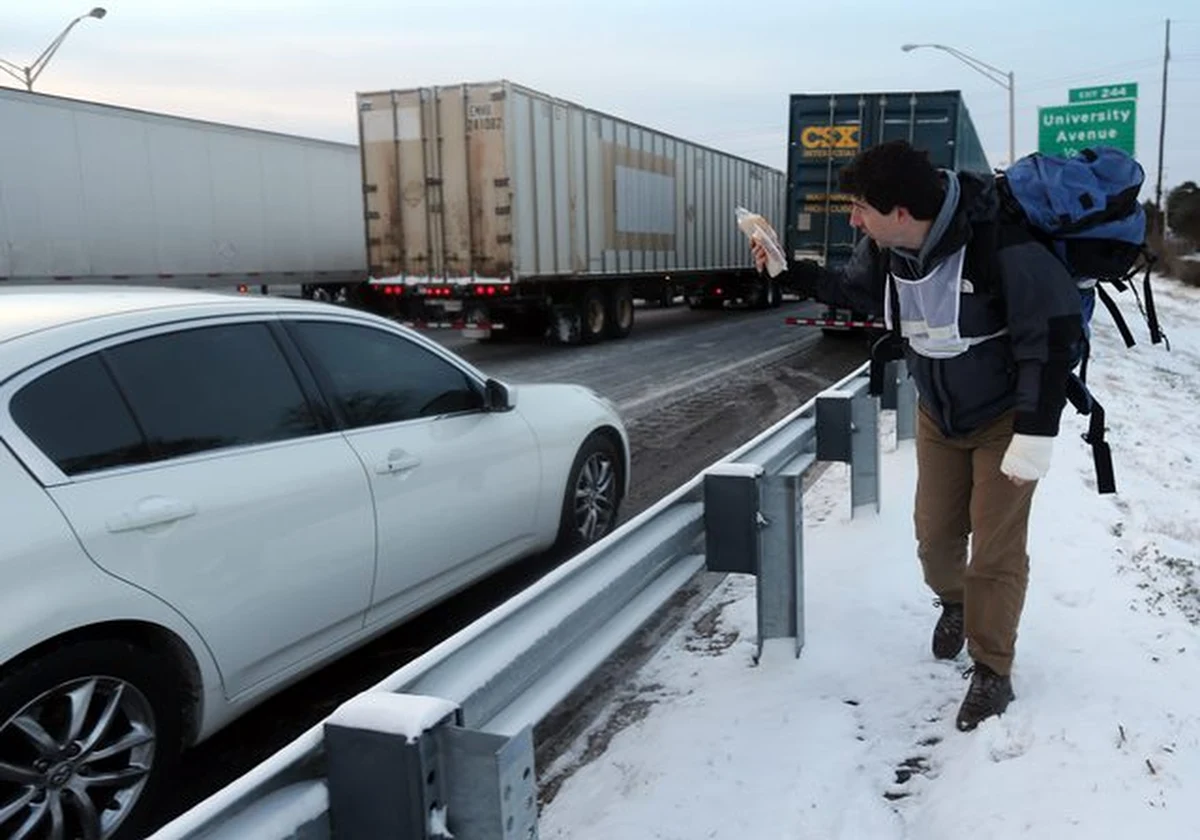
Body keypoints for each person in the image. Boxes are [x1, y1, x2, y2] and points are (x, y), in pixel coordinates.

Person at [753, 139, 1082, 731]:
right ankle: (956, 604)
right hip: (938, 414)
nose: (854, 221)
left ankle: (992, 670)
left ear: (901, 212)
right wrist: (788, 270)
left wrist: (1035, 433)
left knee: (995, 554)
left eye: (861, 209)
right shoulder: (888, 249)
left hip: (1005, 419)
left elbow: (1052, 340)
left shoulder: (1001, 244)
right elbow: (852, 291)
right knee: (934, 540)